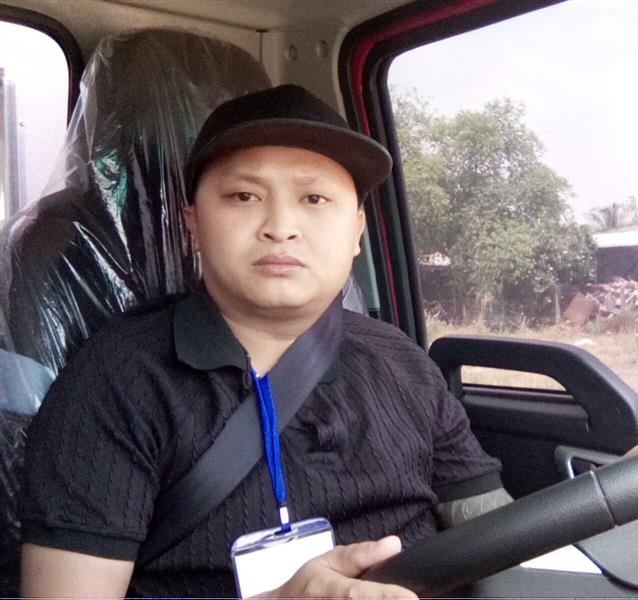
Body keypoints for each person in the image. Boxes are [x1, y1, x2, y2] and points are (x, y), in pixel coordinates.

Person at [18, 85, 512, 598]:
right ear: (193, 225)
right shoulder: (115, 381)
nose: (280, 227)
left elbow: (498, 537)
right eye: (244, 196)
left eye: (314, 199)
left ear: (356, 232)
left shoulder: (404, 362)